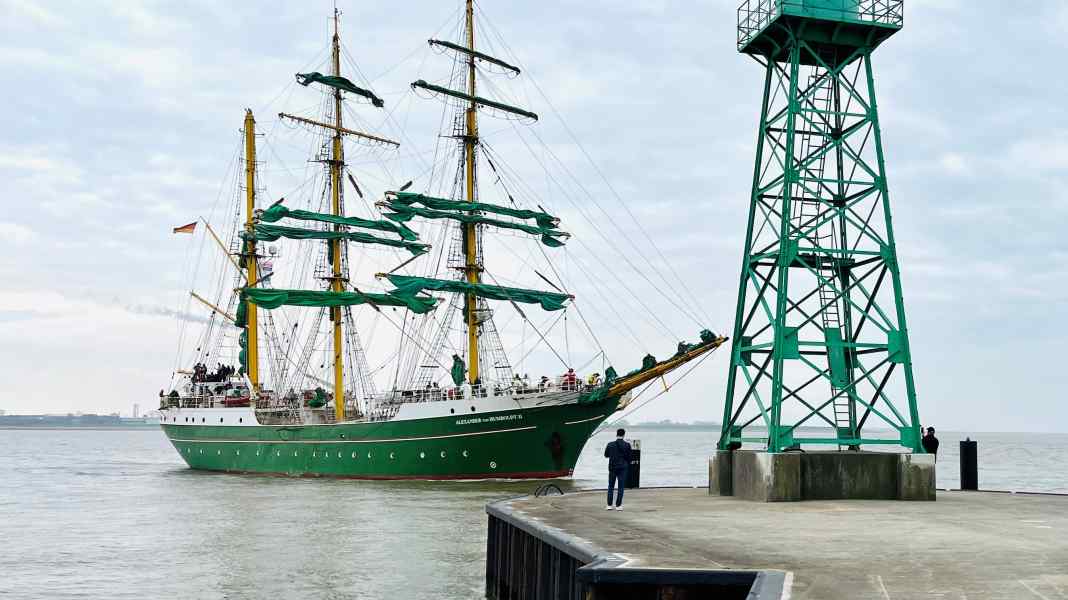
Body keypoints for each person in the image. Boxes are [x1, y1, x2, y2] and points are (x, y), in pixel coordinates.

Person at [604, 428, 632, 510]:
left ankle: (609, 505)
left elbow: (606, 455)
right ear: (624, 435)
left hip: (612, 467)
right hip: (623, 468)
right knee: (621, 487)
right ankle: (618, 506)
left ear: (616, 434)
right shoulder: (627, 445)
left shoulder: (610, 444)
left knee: (611, 486)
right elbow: (629, 457)